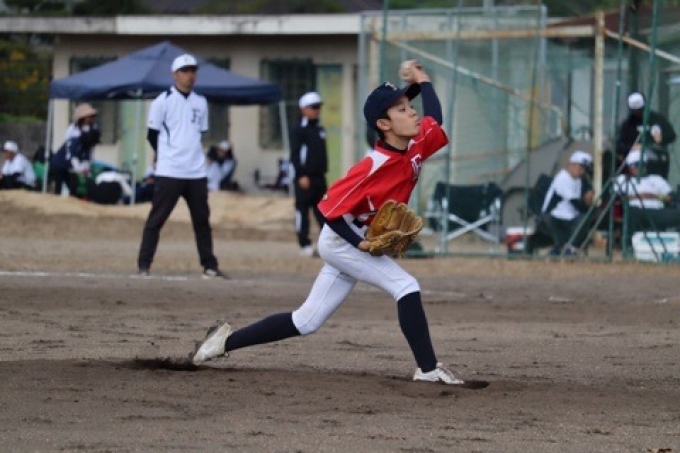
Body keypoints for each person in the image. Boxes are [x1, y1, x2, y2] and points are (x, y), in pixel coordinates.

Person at [191, 64, 469, 385]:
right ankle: (428, 368)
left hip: (353, 241)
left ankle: (221, 343)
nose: (413, 112)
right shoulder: (371, 166)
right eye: (402, 109)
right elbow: (328, 210)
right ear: (384, 124)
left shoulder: (416, 145)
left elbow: (436, 118)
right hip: (341, 241)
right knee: (405, 286)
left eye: (410, 105)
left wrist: (423, 80)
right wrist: (360, 243)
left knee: (306, 320)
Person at [136, 54, 227, 280]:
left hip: (196, 171)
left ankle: (209, 265)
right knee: (157, 218)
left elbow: (199, 133)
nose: (190, 75)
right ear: (174, 74)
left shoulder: (200, 102)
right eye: (185, 71)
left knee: (202, 220)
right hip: (170, 170)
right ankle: (144, 264)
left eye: (193, 70)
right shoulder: (163, 101)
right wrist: (164, 156)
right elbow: (152, 134)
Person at [290, 91, 328, 257]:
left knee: (324, 212)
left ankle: (326, 244)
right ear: (304, 109)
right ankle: (304, 243)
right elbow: (295, 154)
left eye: (318, 107)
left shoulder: (319, 129)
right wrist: (301, 175)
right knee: (302, 211)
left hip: (319, 178)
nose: (317, 110)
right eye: (313, 107)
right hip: (305, 178)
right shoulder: (299, 130)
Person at [615, 149, 680, 241]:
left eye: (643, 164)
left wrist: (652, 196)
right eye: (637, 165)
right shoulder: (623, 179)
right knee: (631, 213)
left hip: (657, 212)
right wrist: (641, 196)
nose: (641, 168)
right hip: (636, 211)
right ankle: (629, 243)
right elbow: (618, 199)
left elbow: (670, 198)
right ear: (630, 167)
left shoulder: (656, 179)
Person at [541, 150, 595, 256]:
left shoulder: (579, 179)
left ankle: (569, 247)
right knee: (584, 215)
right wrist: (586, 202)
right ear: (571, 165)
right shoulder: (563, 178)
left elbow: (588, 192)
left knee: (588, 216)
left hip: (570, 218)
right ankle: (563, 247)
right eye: (580, 167)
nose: (582, 171)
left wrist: (589, 197)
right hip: (554, 218)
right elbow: (578, 204)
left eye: (584, 169)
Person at [615, 92, 676, 178]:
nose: (639, 114)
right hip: (635, 162)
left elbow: (672, 135)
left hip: (656, 160)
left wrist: (661, 138)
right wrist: (632, 148)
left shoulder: (657, 119)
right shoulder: (627, 124)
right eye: (635, 111)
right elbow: (619, 145)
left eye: (640, 110)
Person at [49, 103, 101, 196]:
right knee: (59, 187)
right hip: (61, 163)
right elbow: (71, 153)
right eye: (88, 116)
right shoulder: (73, 132)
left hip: (72, 163)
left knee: (74, 188)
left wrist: (87, 166)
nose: (90, 119)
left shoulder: (92, 129)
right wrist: (79, 168)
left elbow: (88, 153)